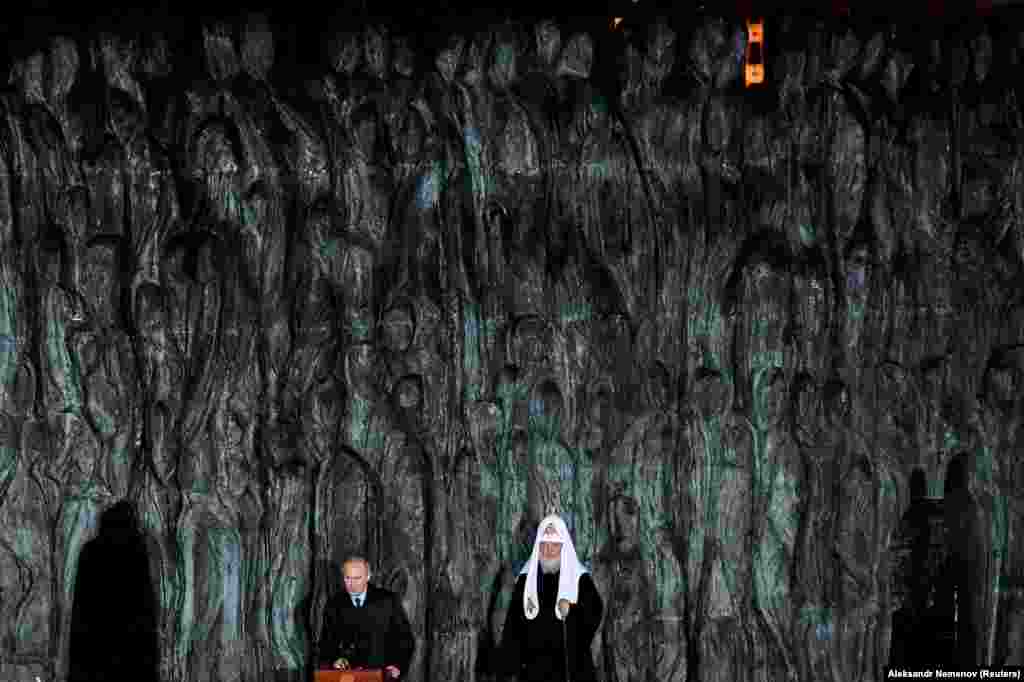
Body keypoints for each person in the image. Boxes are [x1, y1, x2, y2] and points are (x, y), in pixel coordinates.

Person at [498, 514, 604, 682]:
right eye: (544, 545)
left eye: (554, 545)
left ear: (563, 547)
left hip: (572, 668)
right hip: (534, 670)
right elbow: (513, 625)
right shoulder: (526, 578)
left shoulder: (579, 578)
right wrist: (508, 668)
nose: (548, 550)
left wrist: (572, 609)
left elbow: (595, 612)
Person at [318, 556, 415, 678]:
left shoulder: (388, 601)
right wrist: (334, 660)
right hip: (348, 677)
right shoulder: (334, 603)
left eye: (357, 578)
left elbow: (405, 639)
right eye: (347, 578)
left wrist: (398, 666)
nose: (351, 584)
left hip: (382, 675)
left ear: (368, 576)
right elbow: (326, 643)